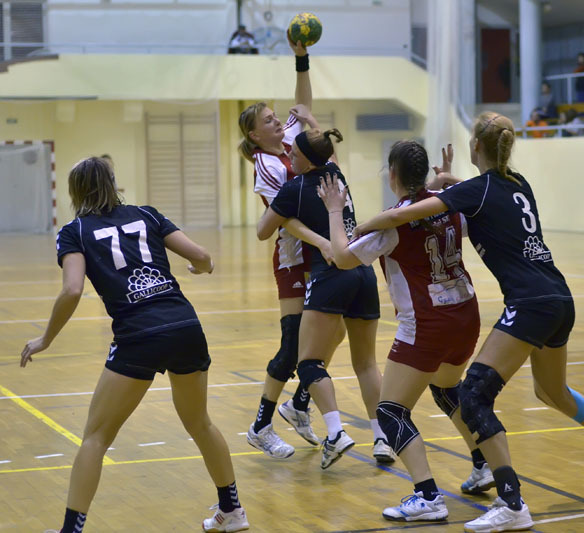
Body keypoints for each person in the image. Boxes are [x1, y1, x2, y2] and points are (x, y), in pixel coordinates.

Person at [354, 112, 584, 533]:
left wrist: (365, 224)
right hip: (559, 297)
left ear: (476, 146)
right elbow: (476, 197)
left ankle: (512, 504)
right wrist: (448, 181)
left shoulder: (474, 191)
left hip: (529, 303)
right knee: (552, 391)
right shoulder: (517, 183)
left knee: (473, 395)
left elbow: (402, 216)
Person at [21, 157, 248, 533]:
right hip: (185, 325)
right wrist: (203, 267)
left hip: (138, 335)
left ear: (75, 191)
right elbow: (202, 256)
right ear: (113, 183)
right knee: (200, 423)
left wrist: (46, 338)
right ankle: (233, 510)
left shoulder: (75, 231)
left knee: (96, 437)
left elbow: (72, 289)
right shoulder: (147, 214)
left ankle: (71, 530)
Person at [317, 141, 492, 522]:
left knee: (391, 411)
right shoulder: (448, 206)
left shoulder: (392, 223)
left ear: (392, 174)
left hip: (427, 323)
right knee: (446, 389)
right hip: (466, 315)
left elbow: (342, 258)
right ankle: (484, 463)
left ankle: (427, 496)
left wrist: (334, 209)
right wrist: (440, 183)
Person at [256, 127, 394, 469]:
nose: (289, 156)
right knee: (366, 364)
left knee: (309, 362)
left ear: (306, 159)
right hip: (363, 270)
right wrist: (309, 120)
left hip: (331, 273)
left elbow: (263, 230)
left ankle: (335, 433)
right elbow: (326, 149)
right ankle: (383, 438)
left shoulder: (295, 187)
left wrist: (286, 213)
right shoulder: (336, 173)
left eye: (294, 153)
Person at [237, 35, 344, 459]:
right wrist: (321, 239)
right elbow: (282, 218)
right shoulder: (266, 164)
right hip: (294, 256)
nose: (278, 120)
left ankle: (299, 404)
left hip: (319, 252)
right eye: (269, 120)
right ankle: (261, 426)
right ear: (254, 134)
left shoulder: (290, 144)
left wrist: (302, 58)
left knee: (332, 332)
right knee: (292, 343)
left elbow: (303, 104)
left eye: (276, 116)